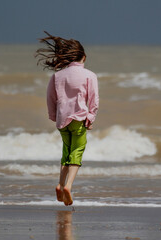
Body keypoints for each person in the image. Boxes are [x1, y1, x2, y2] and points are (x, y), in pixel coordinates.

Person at [35, 31, 99, 206]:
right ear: (83, 57)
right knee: (77, 152)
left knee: (66, 152)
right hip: (79, 118)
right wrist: (90, 118)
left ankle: (59, 184)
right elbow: (94, 99)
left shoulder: (57, 76)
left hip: (62, 120)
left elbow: (50, 98)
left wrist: (53, 116)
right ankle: (68, 186)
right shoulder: (89, 75)